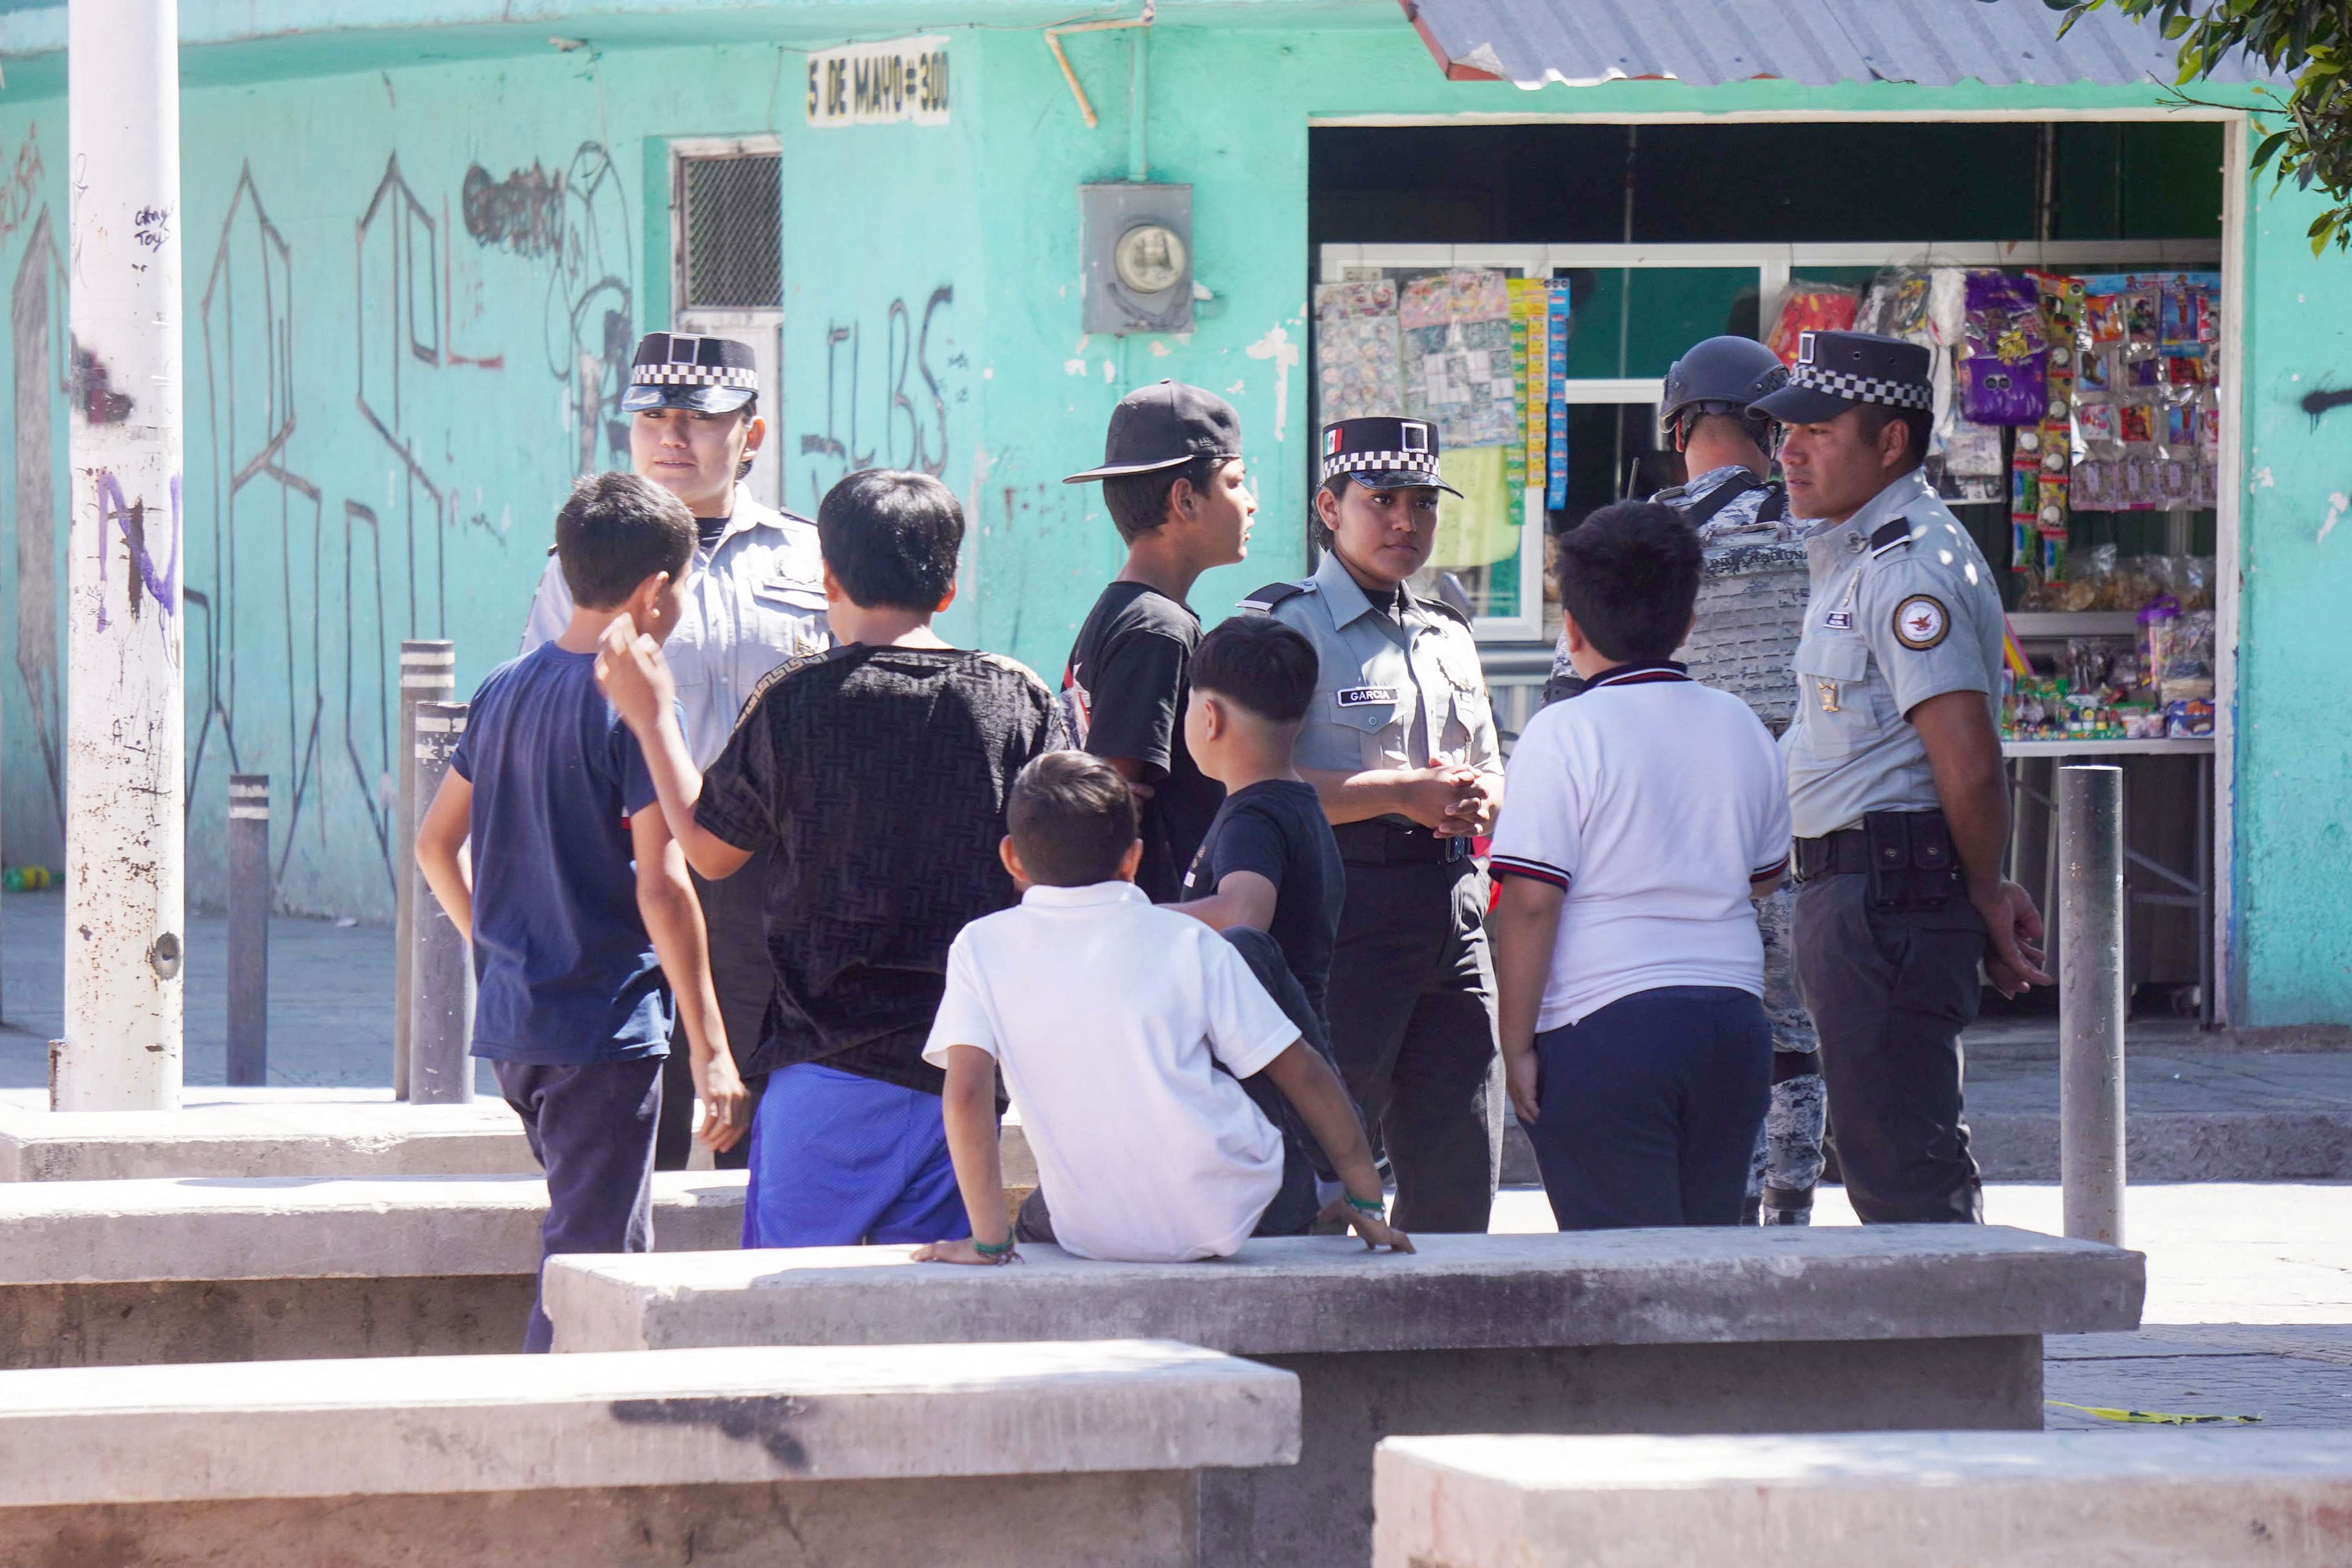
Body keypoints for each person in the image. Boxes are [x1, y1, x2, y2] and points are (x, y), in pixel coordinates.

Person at [595, 468, 1064, 1250]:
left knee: (789, 1319)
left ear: (829, 579)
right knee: (936, 1324)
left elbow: (708, 854)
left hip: (824, 1074)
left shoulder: (795, 700)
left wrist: (652, 720)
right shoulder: (1019, 698)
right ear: (948, 587)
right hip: (967, 1072)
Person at [415, 472, 751, 1352]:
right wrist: (712, 1049)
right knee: (594, 1272)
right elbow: (664, 882)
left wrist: (493, 944)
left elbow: (431, 846)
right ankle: (544, 1440)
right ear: (657, 591)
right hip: (600, 1034)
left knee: (583, 1240)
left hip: (520, 1028)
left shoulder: (504, 687)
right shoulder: (629, 709)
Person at [1751, 328, 2052, 1225]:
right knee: (1885, 1158)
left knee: (1903, 1176)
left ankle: (1960, 1363)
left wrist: (1981, 891)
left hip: (1888, 896)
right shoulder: (1856, 554)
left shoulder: (1910, 564)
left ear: (1889, 442)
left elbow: (1964, 761)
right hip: (1859, 894)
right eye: (1783, 430)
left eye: (1817, 428)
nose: (1789, 450)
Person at [520, 331, 826, 1173]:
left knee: (763, 1128)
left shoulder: (811, 557)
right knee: (630, 1123)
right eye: (652, 418)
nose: (672, 439)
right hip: (634, 873)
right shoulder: (580, 568)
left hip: (770, 878)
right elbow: (556, 709)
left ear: (751, 436)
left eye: (698, 419)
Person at [911, 751, 1412, 1265]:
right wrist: (1367, 1199)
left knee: (1038, 1217)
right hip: (1228, 1212)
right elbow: (1304, 1072)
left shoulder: (980, 946)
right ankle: (1317, 1196)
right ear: (1132, 859)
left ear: (1012, 858)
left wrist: (989, 1241)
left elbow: (968, 1094)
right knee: (1254, 993)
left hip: (1090, 1231)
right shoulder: (1188, 940)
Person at [1546, 334, 1828, 1227]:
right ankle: (1791, 1214)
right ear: (1772, 426)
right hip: (1811, 834)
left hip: (1678, 847)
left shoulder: (1651, 545)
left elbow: (1574, 689)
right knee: (1799, 1043)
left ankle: (1728, 1222)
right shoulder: (1825, 535)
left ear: (1678, 431)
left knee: (1737, 1035)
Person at [1489, 500, 1791, 1230]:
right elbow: (1765, 874)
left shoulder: (1561, 731)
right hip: (1730, 1020)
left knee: (1622, 1272)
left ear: (1572, 628)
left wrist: (1514, 1042)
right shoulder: (1739, 723)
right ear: (1687, 622)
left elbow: (1530, 903)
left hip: (1602, 1028)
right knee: (1709, 1251)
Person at [1243, 416, 1504, 1235]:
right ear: (1328, 507)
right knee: (1324, 1160)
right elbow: (1252, 781)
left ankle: (1457, 1347)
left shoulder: (1447, 633)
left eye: (1421, 503)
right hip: (1345, 910)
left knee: (1459, 1161)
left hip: (1452, 913)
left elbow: (1489, 761)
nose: (1404, 522)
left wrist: (1481, 797)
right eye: (1380, 500)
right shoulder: (1283, 626)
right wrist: (1397, 793)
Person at [1165, 615, 1351, 1219]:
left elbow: (1245, 912)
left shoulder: (1253, 817)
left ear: (1208, 717)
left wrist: (1133, 919)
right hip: (1294, 1076)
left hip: (1268, 1097)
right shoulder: (1294, 803)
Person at [1060, 381, 1260, 902]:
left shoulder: (1131, 612)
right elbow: (1113, 804)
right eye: (1236, 482)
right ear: (1185, 499)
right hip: (1154, 919)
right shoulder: (1157, 631)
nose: (1251, 503)